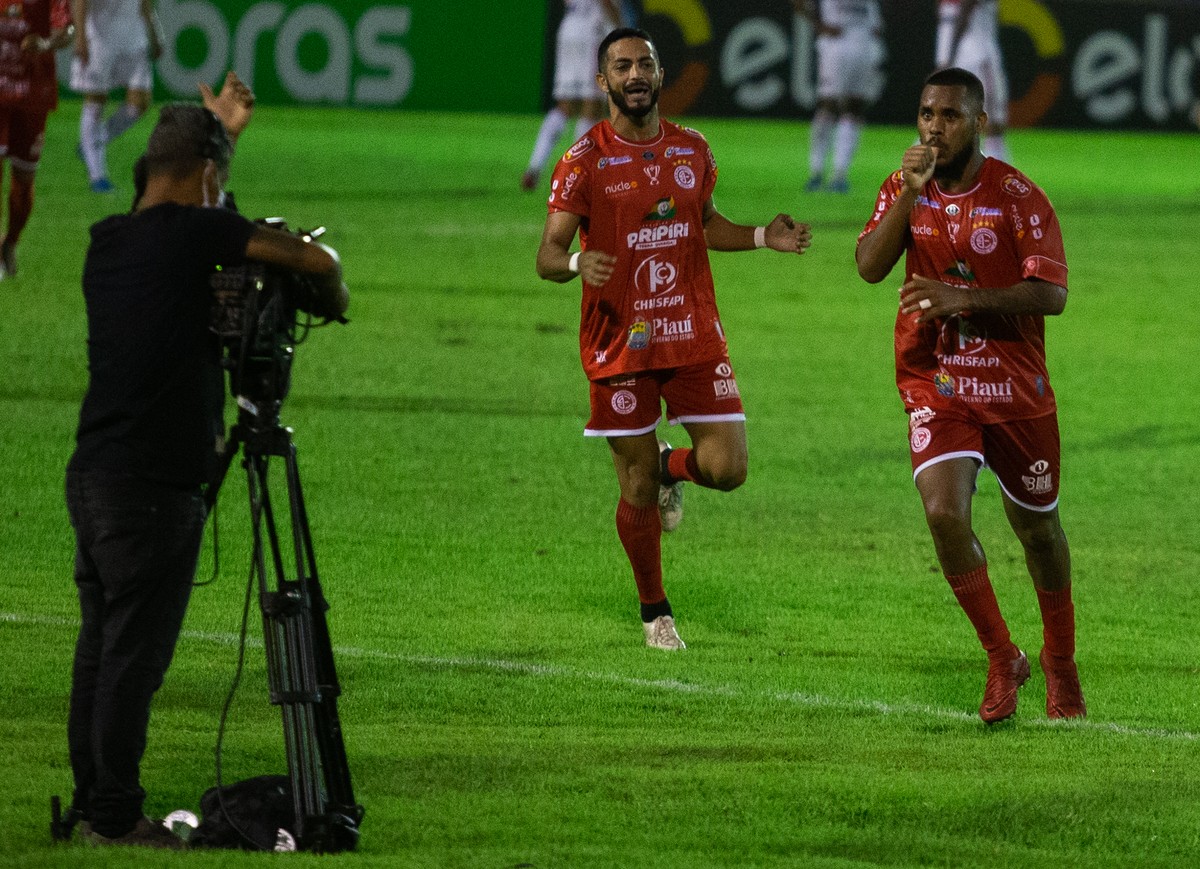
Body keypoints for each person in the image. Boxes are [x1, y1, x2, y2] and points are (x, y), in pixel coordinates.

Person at [65, 71, 349, 848]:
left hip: (92, 474)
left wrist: (217, 138)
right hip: (153, 487)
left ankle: (93, 806)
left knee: (101, 647)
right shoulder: (202, 233)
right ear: (208, 176)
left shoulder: (109, 242)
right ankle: (116, 819)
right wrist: (224, 170)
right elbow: (312, 264)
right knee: (132, 659)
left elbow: (175, 207)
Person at [536, 27, 812, 650]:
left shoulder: (693, 149)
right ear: (602, 82)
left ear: (659, 75)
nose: (636, 75)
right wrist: (581, 265)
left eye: (645, 64)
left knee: (728, 468)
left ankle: (669, 465)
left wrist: (766, 237)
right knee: (632, 488)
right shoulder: (584, 161)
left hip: (692, 332)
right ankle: (654, 610)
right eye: (622, 67)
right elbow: (548, 256)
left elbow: (704, 224)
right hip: (620, 344)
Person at [855, 67, 1084, 724]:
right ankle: (1001, 654)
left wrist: (965, 298)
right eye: (926, 113)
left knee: (1038, 530)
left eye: (950, 115)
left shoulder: (1018, 197)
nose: (934, 126)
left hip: (1014, 386)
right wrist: (907, 195)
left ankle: (1061, 660)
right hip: (938, 381)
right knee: (945, 513)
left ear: (980, 122)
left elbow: (1053, 295)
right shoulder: (905, 188)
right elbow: (870, 266)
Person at [0, 0, 74, 278]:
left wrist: (44, 44)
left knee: (22, 180)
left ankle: (11, 241)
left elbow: (66, 30)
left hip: (32, 94)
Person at [521, 0, 620, 191]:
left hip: (569, 28)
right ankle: (579, 174)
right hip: (591, 32)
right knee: (591, 108)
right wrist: (620, 27)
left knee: (565, 106)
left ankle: (534, 167)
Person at [71, 0, 164, 192]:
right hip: (100, 38)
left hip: (134, 38)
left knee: (140, 102)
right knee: (97, 100)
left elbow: (146, 4)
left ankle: (92, 143)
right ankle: (97, 177)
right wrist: (80, 36)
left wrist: (156, 36)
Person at [792, 0, 884, 194]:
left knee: (854, 108)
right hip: (836, 45)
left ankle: (839, 175)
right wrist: (818, 24)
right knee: (828, 105)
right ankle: (816, 172)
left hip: (864, 44)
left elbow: (876, 24)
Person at [934, 0, 1008, 160]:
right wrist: (949, 57)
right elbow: (966, 10)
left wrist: (945, 59)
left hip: (958, 56)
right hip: (979, 56)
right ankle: (997, 181)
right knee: (993, 124)